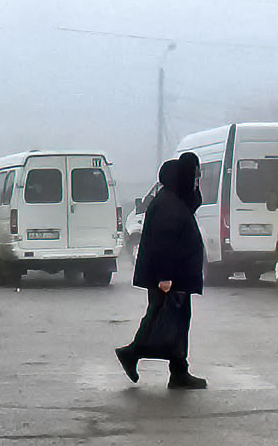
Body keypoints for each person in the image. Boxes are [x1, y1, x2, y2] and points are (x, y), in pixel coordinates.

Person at [115, 152, 207, 389]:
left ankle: (178, 372)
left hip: (176, 277)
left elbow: (193, 202)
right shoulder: (168, 205)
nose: (195, 179)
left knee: (174, 323)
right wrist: (165, 276)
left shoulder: (173, 199)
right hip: (169, 278)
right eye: (192, 176)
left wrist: (194, 181)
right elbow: (163, 242)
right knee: (162, 322)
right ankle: (133, 353)